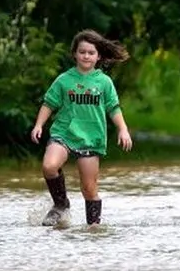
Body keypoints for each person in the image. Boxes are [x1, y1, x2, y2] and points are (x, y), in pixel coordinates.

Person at [30, 30, 133, 227]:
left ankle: (93, 228)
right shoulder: (64, 80)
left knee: (89, 189)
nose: (86, 56)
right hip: (64, 133)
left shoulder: (104, 82)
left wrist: (123, 129)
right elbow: (49, 103)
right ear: (75, 54)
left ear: (98, 56)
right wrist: (38, 125)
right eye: (82, 52)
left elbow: (113, 108)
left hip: (91, 138)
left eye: (91, 53)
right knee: (49, 166)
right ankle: (60, 205)